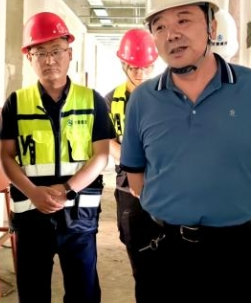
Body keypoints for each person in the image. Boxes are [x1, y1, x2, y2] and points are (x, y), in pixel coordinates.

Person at [121, 0, 251, 303]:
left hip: (237, 254)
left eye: (183, 20)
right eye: (159, 26)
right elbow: (136, 179)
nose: (172, 34)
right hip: (165, 254)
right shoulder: (143, 100)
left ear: (211, 27)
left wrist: (234, 203)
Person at [0, 11, 115, 303]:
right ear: (29, 57)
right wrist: (33, 192)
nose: (49, 60)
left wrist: (67, 189)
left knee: (83, 293)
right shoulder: (16, 103)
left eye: (56, 51)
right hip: (32, 217)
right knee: (33, 293)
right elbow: (6, 157)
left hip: (79, 216)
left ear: (69, 53)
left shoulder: (92, 101)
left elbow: (101, 155)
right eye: (41, 53)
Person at [103, 28, 157, 302]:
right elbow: (105, 142)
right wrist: (134, 165)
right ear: (123, 64)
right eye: (134, 67)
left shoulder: (168, 95)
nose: (140, 73)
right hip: (129, 193)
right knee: (141, 265)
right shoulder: (110, 101)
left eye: (146, 67)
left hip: (164, 190)